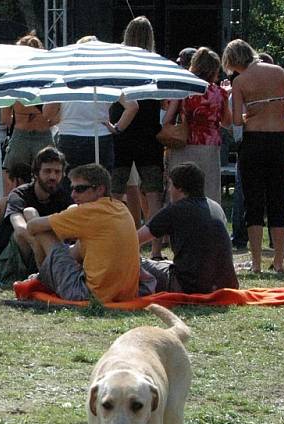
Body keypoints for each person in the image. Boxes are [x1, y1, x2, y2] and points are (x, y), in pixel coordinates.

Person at [223, 39, 284, 273]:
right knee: (278, 199)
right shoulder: (279, 72)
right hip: (279, 139)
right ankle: (278, 260)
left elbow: (236, 120)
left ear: (234, 61)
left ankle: (256, 262)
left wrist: (250, 114)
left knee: (253, 202)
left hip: (254, 141)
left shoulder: (241, 81)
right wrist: (274, 107)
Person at [23, 163, 141, 302]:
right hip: (125, 295)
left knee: (31, 214)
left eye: (80, 189)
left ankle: (41, 278)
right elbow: (76, 253)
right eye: (72, 189)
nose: (73, 195)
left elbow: (32, 227)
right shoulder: (120, 207)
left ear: (100, 190)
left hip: (88, 295)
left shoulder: (88, 211)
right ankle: (42, 276)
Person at [46, 36, 139, 182]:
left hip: (70, 137)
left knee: (70, 186)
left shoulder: (65, 77)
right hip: (100, 137)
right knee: (99, 186)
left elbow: (48, 112)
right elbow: (132, 106)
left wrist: (63, 114)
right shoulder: (108, 77)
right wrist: (117, 128)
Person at [111, 16, 166, 262]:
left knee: (114, 192)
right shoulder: (156, 63)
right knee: (154, 194)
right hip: (149, 134)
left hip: (122, 132)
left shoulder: (117, 62)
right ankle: (155, 250)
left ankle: (114, 244)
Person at [138, 162, 238, 293]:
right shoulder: (216, 207)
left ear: (179, 188)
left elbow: (134, 239)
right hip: (226, 284)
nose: (168, 190)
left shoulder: (175, 210)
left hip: (188, 286)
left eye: (170, 185)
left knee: (140, 263)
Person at [0, 147, 72, 284]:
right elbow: (20, 227)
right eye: (47, 171)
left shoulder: (64, 196)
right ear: (36, 173)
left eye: (57, 172)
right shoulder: (19, 194)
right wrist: (38, 247)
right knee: (26, 223)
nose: (52, 177)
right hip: (14, 259)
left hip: (48, 254)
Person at [164, 47, 232, 204]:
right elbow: (227, 123)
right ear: (214, 69)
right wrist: (226, 96)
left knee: (180, 190)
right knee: (209, 192)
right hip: (209, 147)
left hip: (183, 144)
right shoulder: (220, 93)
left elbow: (166, 120)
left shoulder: (183, 88)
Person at [0, 32, 55, 191]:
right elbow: (58, 115)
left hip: (21, 134)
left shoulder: (12, 78)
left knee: (13, 180)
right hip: (43, 132)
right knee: (48, 179)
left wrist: (21, 115)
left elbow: (5, 118)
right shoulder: (48, 78)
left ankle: (13, 209)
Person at [0, 161, 32, 255]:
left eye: (8, 182)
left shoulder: (4, 202)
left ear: (18, 181)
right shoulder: (39, 199)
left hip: (7, 255)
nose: (6, 186)